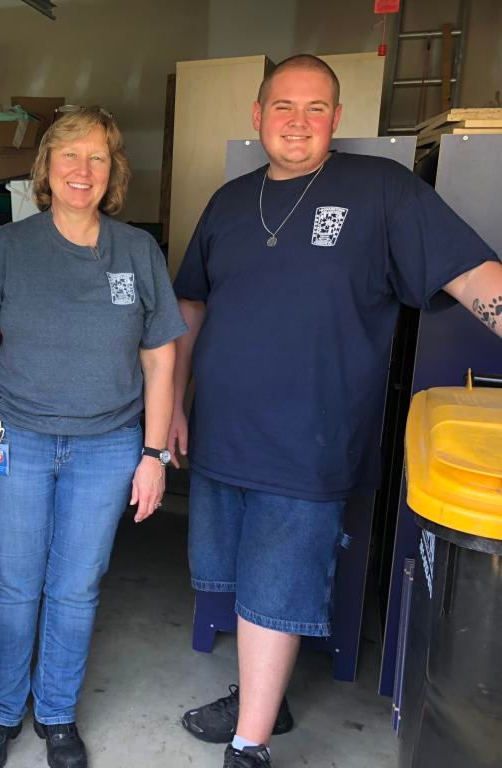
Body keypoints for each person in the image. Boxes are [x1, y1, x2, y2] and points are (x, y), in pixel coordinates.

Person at [170, 54, 502, 768]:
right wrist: (172, 402)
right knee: (235, 578)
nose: (297, 121)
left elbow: (474, 276)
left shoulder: (382, 190)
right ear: (257, 116)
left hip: (311, 438)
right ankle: (266, 696)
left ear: (337, 119)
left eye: (315, 108)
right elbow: (192, 301)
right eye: (283, 106)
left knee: (277, 584)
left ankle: (249, 745)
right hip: (224, 431)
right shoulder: (228, 202)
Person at [0, 106, 186, 768]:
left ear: (114, 170)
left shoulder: (138, 251)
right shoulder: (8, 250)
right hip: (15, 438)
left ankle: (56, 712)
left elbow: (160, 358)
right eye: (68, 155)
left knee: (76, 585)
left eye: (97, 157)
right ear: (45, 169)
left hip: (108, 445)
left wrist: (154, 454)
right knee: (11, 583)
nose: (81, 169)